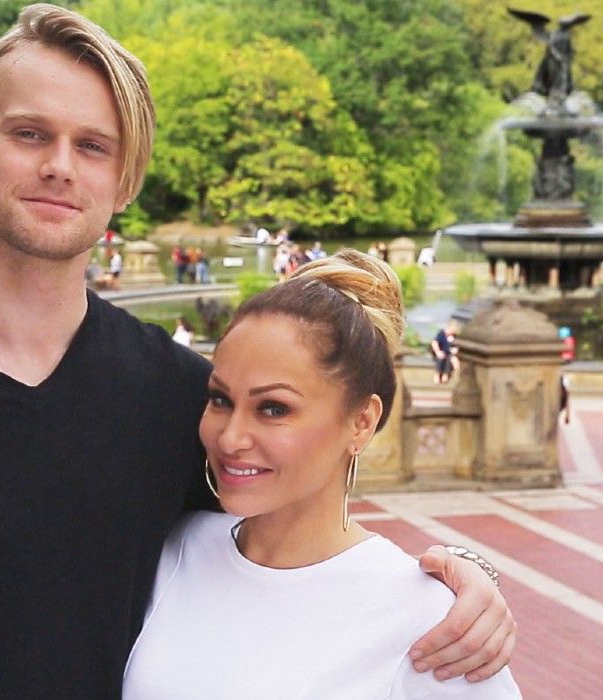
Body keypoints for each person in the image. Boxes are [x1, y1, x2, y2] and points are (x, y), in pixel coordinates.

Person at [0, 6, 511, 696]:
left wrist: (454, 580)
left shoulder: (181, 396)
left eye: (94, 146)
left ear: (126, 181)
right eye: (29, 133)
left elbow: (290, 542)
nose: (59, 165)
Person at [124, 250, 520, 698]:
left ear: (362, 422)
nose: (231, 438)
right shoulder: (174, 547)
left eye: (274, 408)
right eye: (220, 400)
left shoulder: (433, 622)